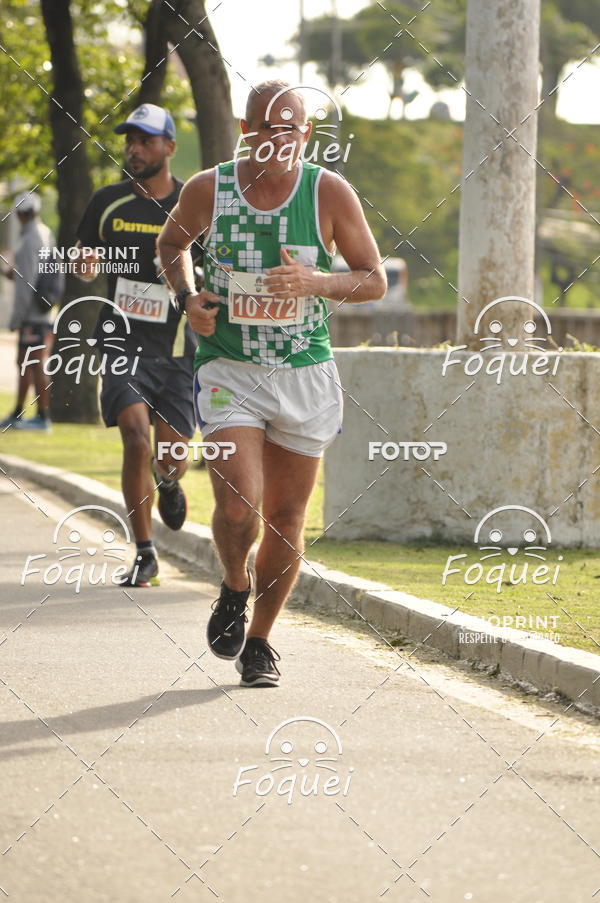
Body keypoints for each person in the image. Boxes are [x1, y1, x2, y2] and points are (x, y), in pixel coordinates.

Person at [158, 81, 387, 686]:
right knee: (239, 507)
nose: (279, 139)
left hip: (304, 372)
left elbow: (373, 278)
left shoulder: (328, 192)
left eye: (291, 129)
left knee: (286, 517)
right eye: (267, 127)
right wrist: (187, 298)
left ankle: (259, 640)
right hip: (228, 368)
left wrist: (318, 283)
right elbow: (171, 243)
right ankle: (235, 584)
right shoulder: (209, 189)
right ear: (245, 130)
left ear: (305, 134)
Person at [74, 103, 199, 587]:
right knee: (133, 435)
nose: (134, 149)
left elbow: (216, 265)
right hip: (121, 342)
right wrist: (83, 262)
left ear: (169, 147)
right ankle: (145, 553)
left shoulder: (193, 202)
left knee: (171, 456)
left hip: (177, 347)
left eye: (145, 141)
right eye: (130, 140)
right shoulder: (107, 202)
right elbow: (83, 251)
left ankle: (167, 481)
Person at [1, 191, 56, 431]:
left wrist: (16, 318)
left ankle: (41, 417)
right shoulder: (45, 232)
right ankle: (21, 412)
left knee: (32, 363)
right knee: (29, 362)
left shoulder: (29, 239)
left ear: (20, 214)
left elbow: (27, 284)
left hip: (33, 315)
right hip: (42, 312)